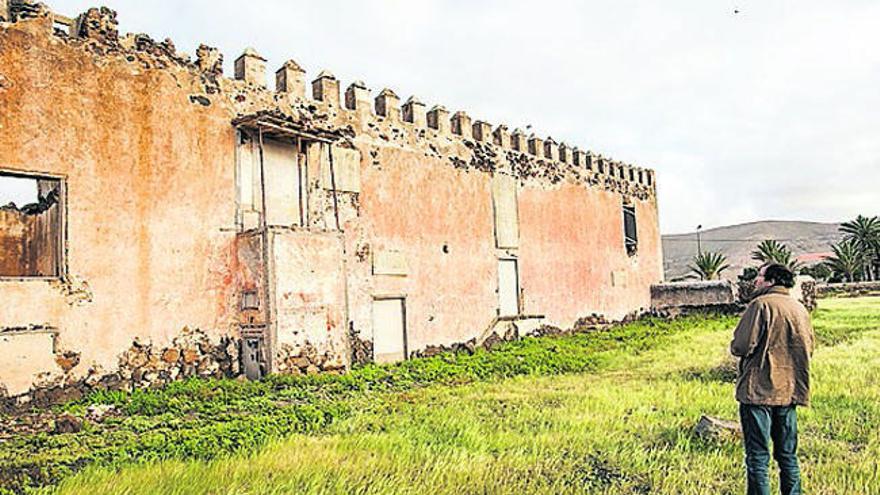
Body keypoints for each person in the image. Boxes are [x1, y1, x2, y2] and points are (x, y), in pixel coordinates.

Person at [730, 263, 814, 495]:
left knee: (758, 456)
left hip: (758, 390)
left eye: (759, 276)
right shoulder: (799, 308)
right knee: (788, 456)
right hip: (789, 390)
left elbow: (741, 345)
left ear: (771, 281)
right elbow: (809, 346)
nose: (756, 280)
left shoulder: (760, 305)